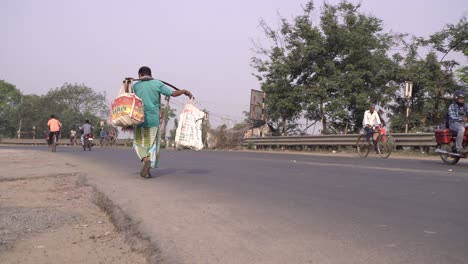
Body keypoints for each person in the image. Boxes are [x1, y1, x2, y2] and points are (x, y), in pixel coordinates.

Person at [130, 66, 193, 178]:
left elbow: (127, 98)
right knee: (152, 145)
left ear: (140, 75)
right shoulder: (157, 84)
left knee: (138, 143)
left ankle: (145, 159)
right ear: (150, 74)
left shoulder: (135, 86)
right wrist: (184, 91)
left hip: (139, 120)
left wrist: (127, 83)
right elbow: (173, 93)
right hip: (153, 120)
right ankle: (148, 170)